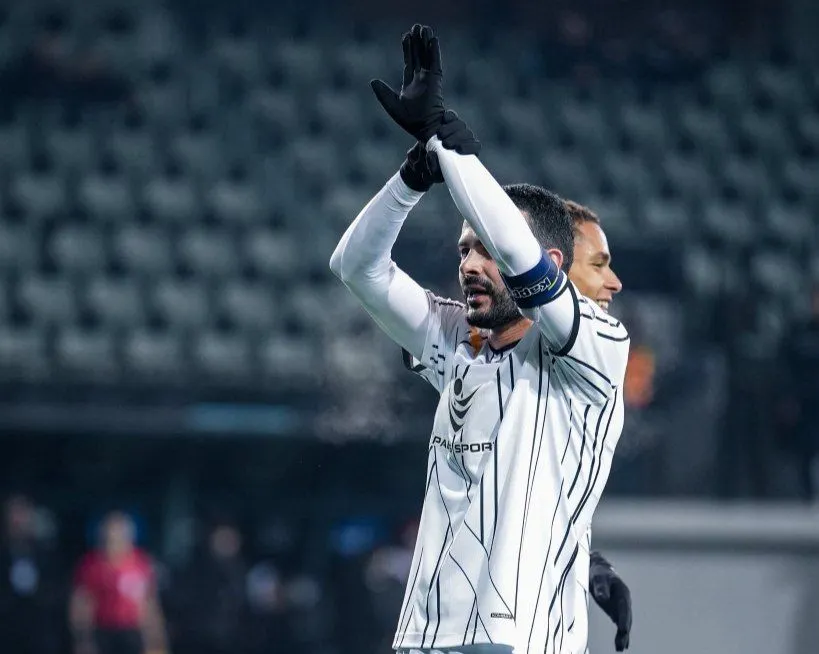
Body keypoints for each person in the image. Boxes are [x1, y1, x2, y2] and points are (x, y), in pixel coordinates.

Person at [330, 24, 630, 654]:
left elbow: (520, 254)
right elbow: (356, 268)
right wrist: (410, 181)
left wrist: (445, 138)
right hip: (425, 633)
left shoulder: (596, 348)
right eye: (463, 249)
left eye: (482, 249)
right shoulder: (454, 344)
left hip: (516, 638)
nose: (468, 264)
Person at [69, 511, 167, 654]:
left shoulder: (140, 563)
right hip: (102, 631)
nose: (114, 541)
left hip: (132, 632)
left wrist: (156, 640)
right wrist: (83, 640)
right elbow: (81, 604)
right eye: (110, 536)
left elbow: (149, 604)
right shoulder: (91, 565)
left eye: (119, 535)